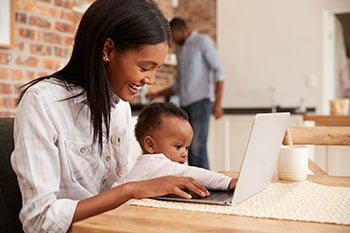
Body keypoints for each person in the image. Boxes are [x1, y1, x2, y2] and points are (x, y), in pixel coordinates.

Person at [10, 1, 210, 232]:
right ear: (108, 50)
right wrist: (131, 190)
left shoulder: (120, 107)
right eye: (145, 67)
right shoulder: (43, 102)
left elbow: (120, 186)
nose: (151, 80)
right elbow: (40, 221)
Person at [148, 17, 225, 169]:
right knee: (186, 148)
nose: (172, 40)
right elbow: (180, 84)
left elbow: (219, 73)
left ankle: (205, 185)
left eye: (172, 35)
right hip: (185, 104)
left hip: (201, 102)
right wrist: (157, 94)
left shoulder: (202, 42)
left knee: (197, 146)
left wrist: (218, 104)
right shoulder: (179, 50)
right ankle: (194, 182)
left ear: (181, 30)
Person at [117, 102, 236, 190]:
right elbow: (192, 174)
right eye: (178, 146)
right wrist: (228, 182)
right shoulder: (153, 163)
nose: (184, 153)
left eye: (187, 147)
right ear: (150, 145)